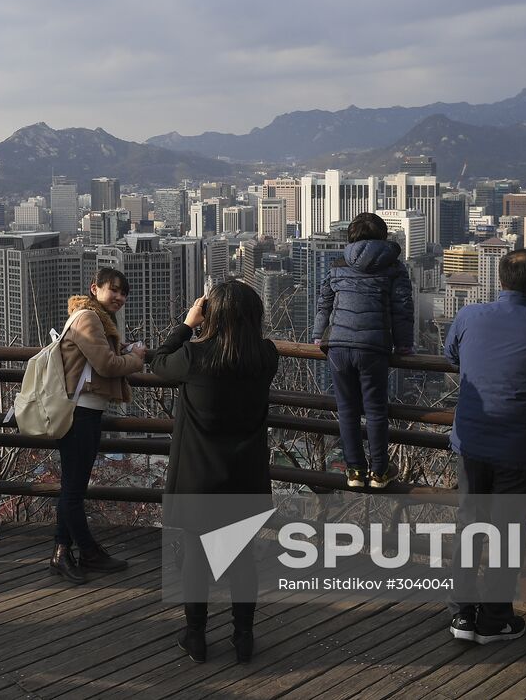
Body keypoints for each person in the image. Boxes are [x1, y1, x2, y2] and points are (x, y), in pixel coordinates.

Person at [151, 280, 279, 664]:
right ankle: (243, 636)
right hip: (246, 475)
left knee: (196, 558)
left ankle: (196, 636)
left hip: (199, 476)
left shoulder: (194, 358)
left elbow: (158, 363)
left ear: (212, 315)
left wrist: (188, 324)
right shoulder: (267, 356)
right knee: (241, 560)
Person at [443, 249, 526, 645]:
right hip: (518, 446)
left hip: (472, 439)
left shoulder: (470, 316)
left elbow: (452, 355)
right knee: (507, 533)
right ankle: (495, 618)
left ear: (500, 279)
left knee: (469, 525)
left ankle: (461, 614)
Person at [50, 267, 147, 584]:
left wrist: (124, 351)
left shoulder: (95, 318)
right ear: (95, 288)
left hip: (85, 412)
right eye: (114, 290)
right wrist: (138, 358)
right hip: (79, 414)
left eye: (123, 293)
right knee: (73, 491)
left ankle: (62, 553)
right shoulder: (88, 319)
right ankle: (87, 551)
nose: (119, 297)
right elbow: (106, 365)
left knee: (72, 488)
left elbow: (101, 357)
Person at [310, 212, 413, 489]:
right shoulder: (394, 266)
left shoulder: (338, 264)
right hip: (373, 347)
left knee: (347, 410)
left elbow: (324, 304)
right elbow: (402, 307)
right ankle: (379, 472)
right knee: (376, 410)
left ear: (351, 237)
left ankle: (354, 470)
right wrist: (404, 344)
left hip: (338, 347)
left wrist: (318, 336)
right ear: (383, 236)